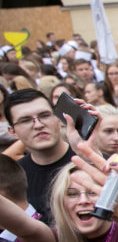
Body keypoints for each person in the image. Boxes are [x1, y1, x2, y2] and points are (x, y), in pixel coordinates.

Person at [5, 89, 74, 224]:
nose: (38, 125)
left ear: (58, 118)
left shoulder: (88, 160)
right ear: (13, 132)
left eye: (44, 115)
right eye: (25, 120)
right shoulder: (14, 178)